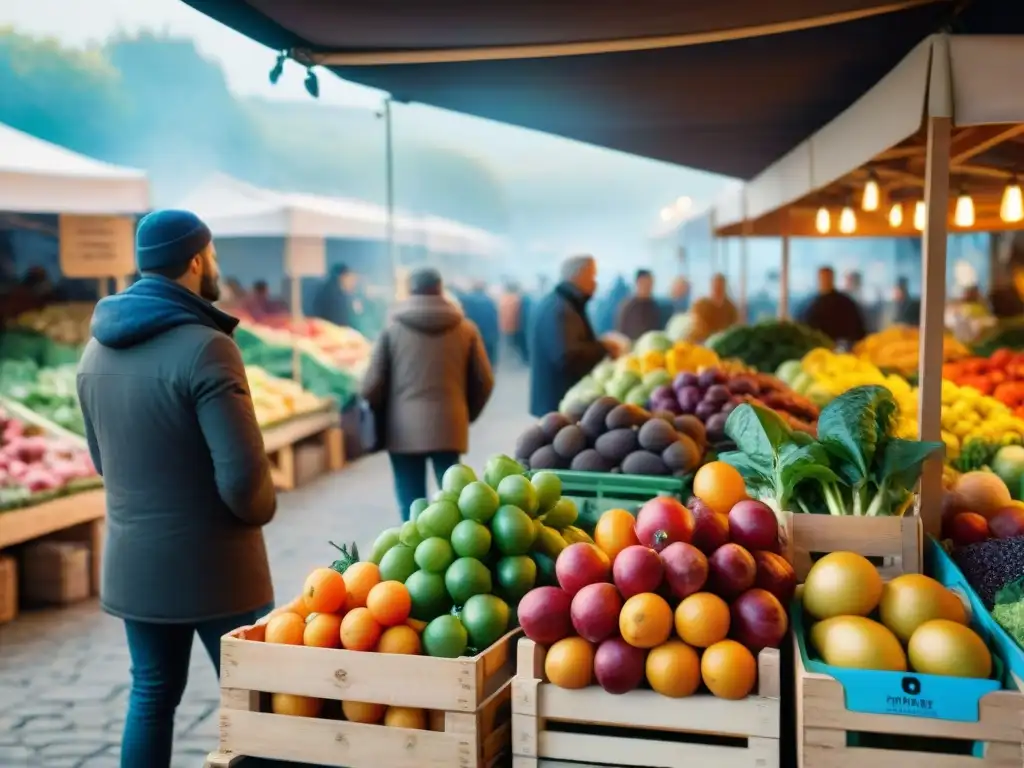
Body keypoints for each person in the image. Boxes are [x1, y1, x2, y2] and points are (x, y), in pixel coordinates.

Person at [75, 210, 276, 768]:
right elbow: (243, 480)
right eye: (210, 255)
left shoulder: (94, 351)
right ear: (195, 260)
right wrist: (263, 505)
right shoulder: (207, 347)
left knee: (152, 694)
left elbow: (102, 461)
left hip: (135, 564)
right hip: (219, 568)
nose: (214, 266)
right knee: (256, 699)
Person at [362, 267, 494, 518]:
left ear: (410, 289)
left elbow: (371, 385)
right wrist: (466, 412)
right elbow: (485, 380)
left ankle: (414, 552)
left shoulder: (392, 330)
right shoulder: (466, 329)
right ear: (440, 288)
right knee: (456, 502)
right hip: (449, 424)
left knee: (411, 506)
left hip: (402, 429)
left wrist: (379, 411)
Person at [529, 255, 618, 417]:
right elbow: (567, 356)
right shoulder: (560, 309)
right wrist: (604, 348)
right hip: (556, 403)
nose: (595, 283)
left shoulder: (561, 302)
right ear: (580, 275)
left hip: (553, 400)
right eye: (592, 276)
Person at [798, 266, 868, 345]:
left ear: (832, 278)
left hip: (843, 347)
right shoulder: (809, 305)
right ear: (818, 279)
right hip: (815, 346)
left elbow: (858, 330)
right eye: (823, 278)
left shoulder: (846, 303)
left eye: (827, 277)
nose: (825, 280)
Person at [689, 273, 739, 342]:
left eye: (720, 285)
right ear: (711, 286)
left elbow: (735, 327)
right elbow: (696, 324)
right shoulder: (701, 305)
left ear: (724, 287)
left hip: (722, 342)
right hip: (701, 342)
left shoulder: (731, 307)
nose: (717, 288)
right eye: (715, 285)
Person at [615, 269, 663, 340]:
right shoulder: (627, 307)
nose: (648, 287)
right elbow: (620, 332)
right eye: (645, 283)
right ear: (638, 282)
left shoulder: (656, 307)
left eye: (650, 284)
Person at [312, 263, 363, 328]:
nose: (354, 283)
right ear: (342, 277)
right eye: (351, 278)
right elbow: (341, 322)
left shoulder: (333, 290)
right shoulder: (333, 295)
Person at [499, 281, 525, 365]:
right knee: (514, 344)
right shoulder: (516, 299)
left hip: (504, 326)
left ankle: (508, 358)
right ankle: (514, 359)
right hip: (514, 326)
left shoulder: (503, 298)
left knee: (508, 344)